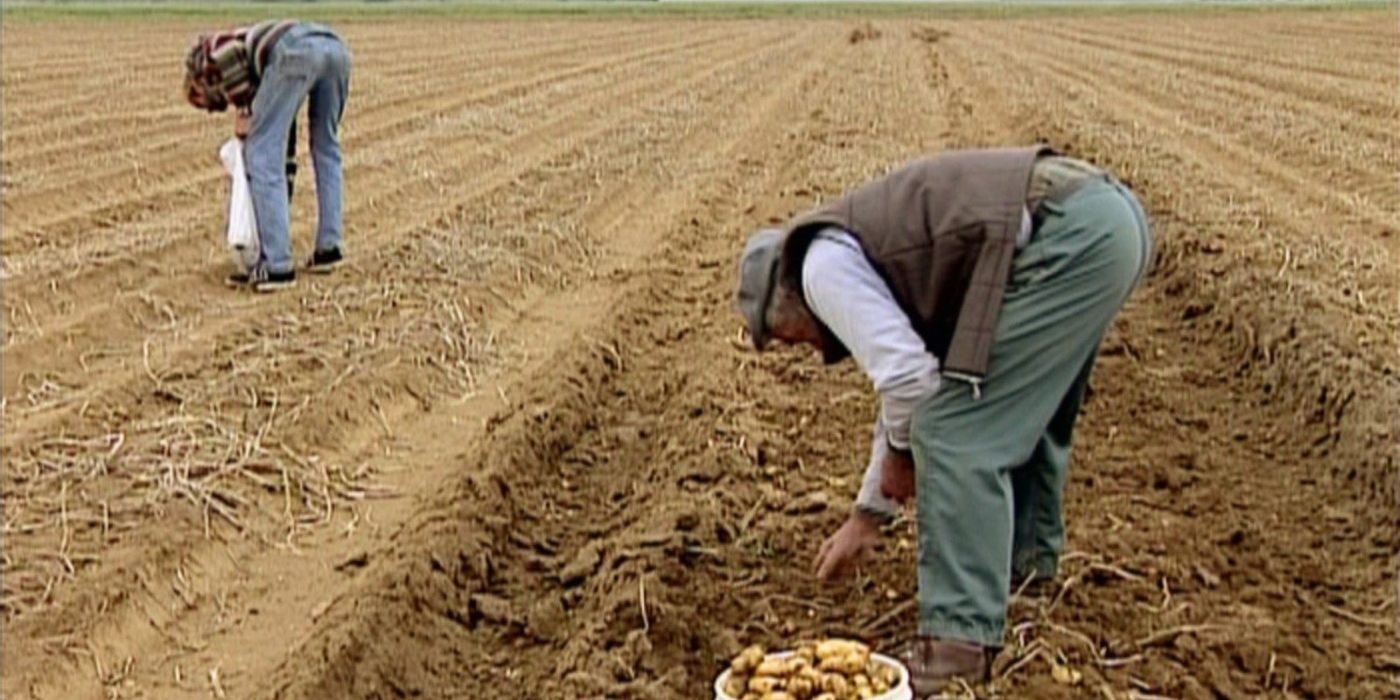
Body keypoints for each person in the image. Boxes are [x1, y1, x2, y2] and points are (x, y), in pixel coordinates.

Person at [734, 147, 1152, 694]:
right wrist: (869, 513)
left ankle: (956, 644)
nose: (804, 349)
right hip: (1104, 223)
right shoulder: (848, 252)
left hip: (1073, 235)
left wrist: (906, 457)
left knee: (954, 430)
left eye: (785, 337)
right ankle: (1024, 575)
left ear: (782, 299)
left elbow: (910, 385)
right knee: (1018, 415)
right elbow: (904, 386)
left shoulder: (819, 269)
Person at [184, 20, 351, 292]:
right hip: (335, 48)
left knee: (260, 154)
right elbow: (283, 125)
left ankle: (276, 266)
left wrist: (244, 112)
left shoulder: (213, 50)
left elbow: (251, 109)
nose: (210, 105)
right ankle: (329, 249)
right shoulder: (259, 68)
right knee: (326, 147)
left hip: (297, 51)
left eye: (201, 100)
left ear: (199, 80)